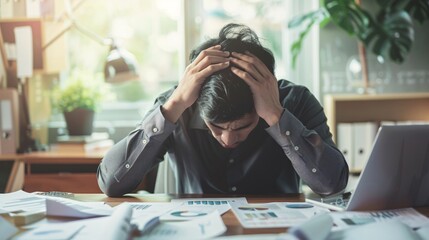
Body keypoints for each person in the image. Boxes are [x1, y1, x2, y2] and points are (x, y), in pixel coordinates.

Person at [97, 23, 349, 197]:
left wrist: (276, 115)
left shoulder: (296, 101)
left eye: (243, 126)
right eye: (216, 127)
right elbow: (111, 184)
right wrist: (172, 108)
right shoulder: (178, 104)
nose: (229, 139)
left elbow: (331, 185)